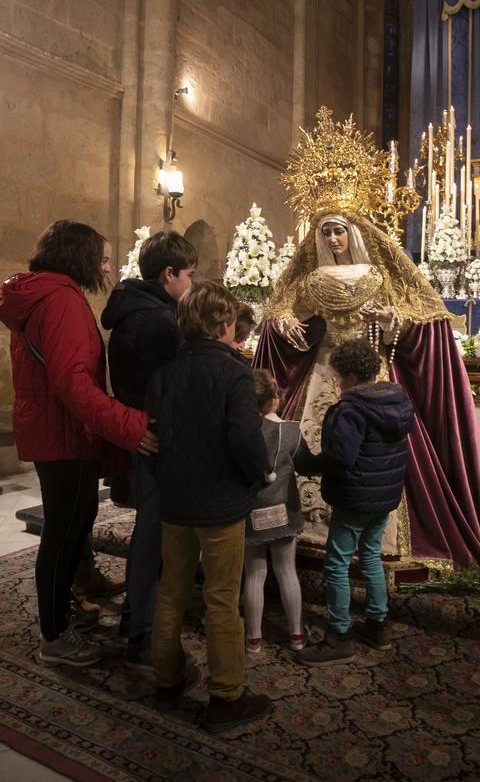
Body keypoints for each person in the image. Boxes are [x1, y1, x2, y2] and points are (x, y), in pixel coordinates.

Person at [254, 108, 480, 595]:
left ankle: (376, 554)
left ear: (355, 232)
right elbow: (285, 320)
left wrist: (391, 322)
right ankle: (312, 540)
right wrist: (285, 321)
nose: (332, 238)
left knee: (372, 458)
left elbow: (422, 324)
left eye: (340, 230)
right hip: (322, 377)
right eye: (325, 230)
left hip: (374, 376)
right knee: (322, 450)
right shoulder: (307, 280)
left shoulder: (384, 274)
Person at [0, 220, 156, 667]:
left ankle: (64, 611)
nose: (107, 267)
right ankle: (55, 637)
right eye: (102, 258)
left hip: (58, 429)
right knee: (63, 532)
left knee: (72, 524)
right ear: (78, 256)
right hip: (62, 433)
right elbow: (73, 384)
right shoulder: (61, 301)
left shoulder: (47, 294)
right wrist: (130, 425)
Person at [147, 280, 272, 731]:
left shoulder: (164, 374)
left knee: (172, 591)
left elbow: (155, 437)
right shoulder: (235, 373)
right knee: (221, 599)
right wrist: (258, 472)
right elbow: (244, 436)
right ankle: (226, 697)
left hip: (176, 500)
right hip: (220, 504)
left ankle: (166, 679)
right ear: (223, 324)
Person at [101, 230, 197, 669]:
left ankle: (136, 617)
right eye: (190, 275)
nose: (192, 284)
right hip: (157, 436)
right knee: (154, 533)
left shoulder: (136, 310)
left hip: (145, 429)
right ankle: (142, 627)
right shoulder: (158, 320)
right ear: (169, 273)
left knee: (151, 529)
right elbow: (169, 389)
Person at [297, 339, 414, 666]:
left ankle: (338, 636)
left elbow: (341, 458)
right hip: (384, 495)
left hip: (355, 497)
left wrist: (307, 463)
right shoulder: (395, 400)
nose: (335, 380)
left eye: (338, 375)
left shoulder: (350, 409)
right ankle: (378, 625)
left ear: (349, 374)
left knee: (337, 562)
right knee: (371, 556)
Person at [244, 370, 318, 653]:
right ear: (274, 400)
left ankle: (254, 638)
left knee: (254, 573)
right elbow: (308, 465)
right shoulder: (291, 430)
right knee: (287, 570)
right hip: (284, 511)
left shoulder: (241, 431)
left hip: (252, 511)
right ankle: (297, 635)